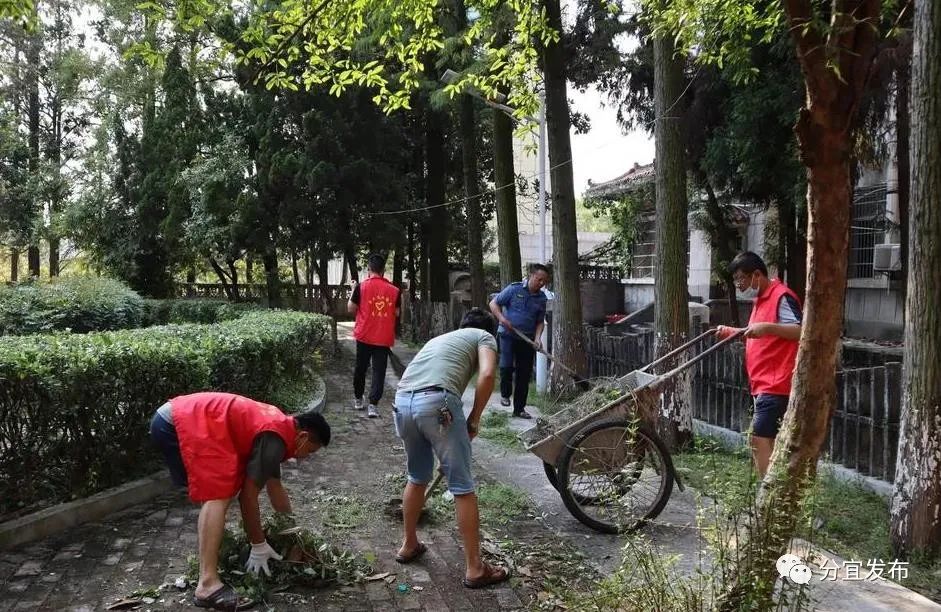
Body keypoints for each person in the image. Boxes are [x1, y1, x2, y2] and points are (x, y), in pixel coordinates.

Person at [149, 392, 331, 611]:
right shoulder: (275, 437)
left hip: (176, 417)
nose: (305, 457)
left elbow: (275, 488)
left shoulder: (280, 428)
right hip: (178, 422)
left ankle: (209, 560)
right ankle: (207, 584)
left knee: (216, 495)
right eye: (310, 451)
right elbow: (248, 496)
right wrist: (258, 543)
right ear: (302, 436)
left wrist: (292, 535)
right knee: (220, 493)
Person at [392, 308, 509, 589]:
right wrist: (474, 418)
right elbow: (489, 374)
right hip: (437, 403)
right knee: (462, 486)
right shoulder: (484, 336)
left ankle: (409, 544)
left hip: (402, 401)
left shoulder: (440, 339)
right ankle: (475, 568)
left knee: (417, 476)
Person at [715, 251, 801, 476]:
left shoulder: (781, 296)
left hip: (777, 383)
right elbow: (757, 334)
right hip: (762, 383)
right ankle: (774, 492)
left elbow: (801, 331)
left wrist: (768, 327)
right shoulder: (761, 300)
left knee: (759, 438)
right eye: (736, 280)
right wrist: (731, 332)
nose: (739, 285)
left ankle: (768, 492)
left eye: (741, 279)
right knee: (766, 442)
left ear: (757, 274)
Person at [488, 264, 550, 419]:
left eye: (544, 281)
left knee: (524, 373)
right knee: (506, 366)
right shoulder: (514, 289)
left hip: (527, 339)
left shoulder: (541, 298)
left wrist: (537, 338)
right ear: (531, 275)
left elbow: (540, 321)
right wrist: (502, 319)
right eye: (539, 279)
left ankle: (519, 409)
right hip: (508, 335)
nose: (541, 283)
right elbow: (493, 303)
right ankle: (505, 395)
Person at [348, 253, 401, 418]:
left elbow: (351, 308)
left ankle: (358, 399)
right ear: (384, 269)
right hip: (383, 338)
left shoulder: (361, 287)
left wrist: (352, 290)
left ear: (369, 269)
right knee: (379, 371)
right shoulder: (395, 291)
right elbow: (397, 313)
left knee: (361, 369)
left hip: (364, 335)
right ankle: (373, 405)